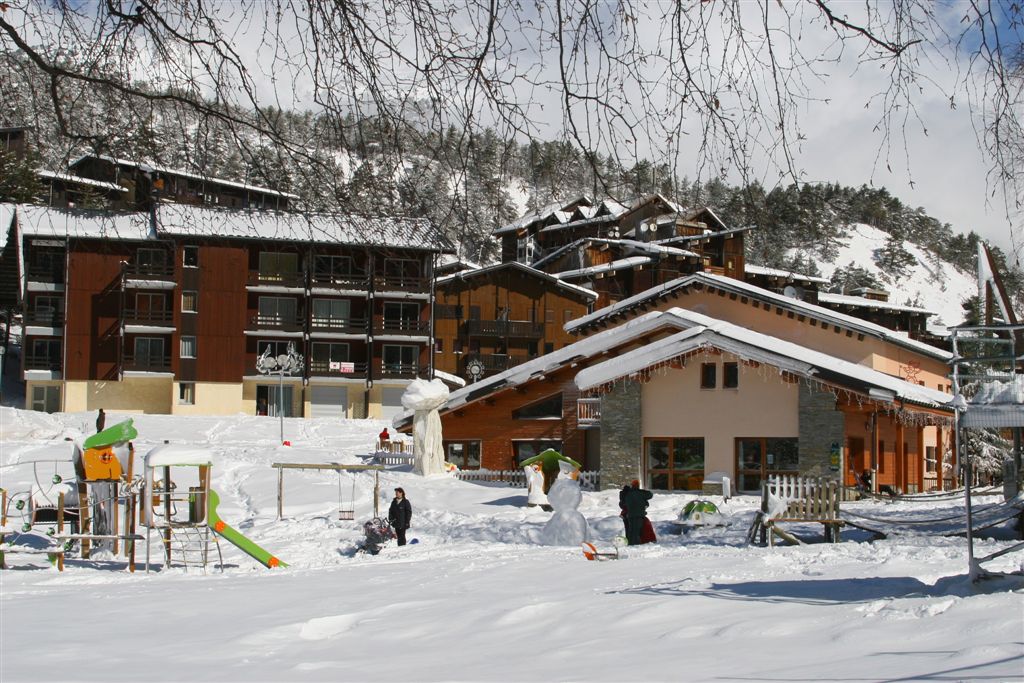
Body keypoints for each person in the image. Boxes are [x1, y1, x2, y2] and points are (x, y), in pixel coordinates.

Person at [621, 479, 653, 546]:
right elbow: (650, 495)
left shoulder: (628, 493)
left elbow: (622, 502)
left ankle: (630, 543)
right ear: (638, 486)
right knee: (637, 530)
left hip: (630, 514)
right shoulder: (641, 493)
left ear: (632, 485)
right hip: (639, 514)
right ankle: (636, 544)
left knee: (631, 529)